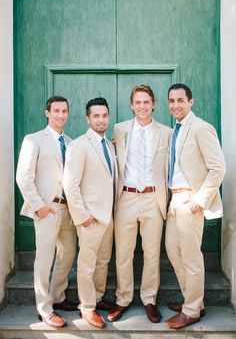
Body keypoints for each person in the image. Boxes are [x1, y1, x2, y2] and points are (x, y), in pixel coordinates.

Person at [108, 84, 172, 323]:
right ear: (131, 105)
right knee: (123, 253)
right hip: (126, 197)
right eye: (138, 102)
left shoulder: (166, 132)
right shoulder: (119, 129)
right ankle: (123, 299)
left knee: (152, 253)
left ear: (153, 104)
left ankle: (149, 299)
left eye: (146, 102)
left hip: (153, 198)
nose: (142, 106)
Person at [164, 83, 226, 329]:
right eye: (172, 100)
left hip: (190, 199)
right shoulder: (176, 130)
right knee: (172, 250)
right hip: (173, 200)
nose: (175, 105)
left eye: (180, 100)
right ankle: (194, 300)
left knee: (191, 257)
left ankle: (191, 310)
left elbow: (218, 168)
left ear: (191, 102)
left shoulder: (201, 128)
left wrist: (200, 200)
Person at [16, 96, 77, 328]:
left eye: (65, 111)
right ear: (47, 113)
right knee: (44, 259)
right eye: (56, 111)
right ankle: (44, 308)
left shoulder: (71, 142)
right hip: (47, 208)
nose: (61, 115)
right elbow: (23, 177)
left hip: (67, 209)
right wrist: (38, 206)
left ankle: (58, 297)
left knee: (68, 254)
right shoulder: (34, 140)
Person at [63, 97, 117, 329]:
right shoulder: (79, 145)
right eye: (96, 116)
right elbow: (70, 184)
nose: (101, 119)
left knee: (103, 261)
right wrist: (82, 216)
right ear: (88, 118)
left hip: (109, 216)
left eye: (104, 115)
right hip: (90, 217)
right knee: (87, 264)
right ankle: (86, 308)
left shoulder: (111, 145)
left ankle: (96, 297)